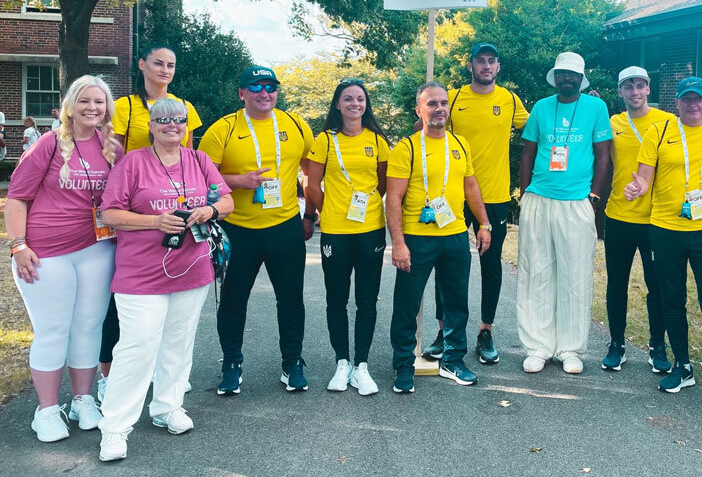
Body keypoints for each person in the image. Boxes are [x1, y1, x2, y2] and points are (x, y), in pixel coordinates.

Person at [96, 98, 233, 461]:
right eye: (163, 119)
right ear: (151, 126)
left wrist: (210, 209)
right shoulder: (132, 163)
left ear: (187, 126)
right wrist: (155, 221)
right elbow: (110, 214)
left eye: (179, 120)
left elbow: (227, 201)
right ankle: (115, 427)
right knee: (137, 346)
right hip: (141, 272)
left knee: (179, 340)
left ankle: (167, 406)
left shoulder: (199, 160)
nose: (172, 125)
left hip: (192, 267)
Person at [5, 75, 120, 442]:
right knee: (53, 329)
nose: (92, 108)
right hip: (46, 252)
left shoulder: (111, 147)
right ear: (71, 105)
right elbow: (16, 198)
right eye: (84, 100)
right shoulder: (48, 144)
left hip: (97, 250)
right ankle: (46, 409)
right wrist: (18, 245)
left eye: (99, 102)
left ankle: (83, 399)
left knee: (89, 326)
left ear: (107, 108)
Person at [199, 66, 316, 395]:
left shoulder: (295, 124)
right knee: (233, 301)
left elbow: (311, 171)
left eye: (270, 86)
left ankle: (292, 362)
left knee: (291, 299)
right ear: (242, 93)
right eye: (256, 87)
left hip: (285, 226)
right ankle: (231, 363)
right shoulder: (223, 128)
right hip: (238, 228)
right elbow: (202, 178)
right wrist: (239, 181)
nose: (264, 93)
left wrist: (309, 213)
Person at [625, 77, 702, 412]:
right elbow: (644, 178)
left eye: (698, 99)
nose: (692, 105)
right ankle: (682, 366)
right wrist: (636, 189)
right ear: (676, 102)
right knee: (672, 301)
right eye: (686, 99)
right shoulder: (658, 132)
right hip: (665, 230)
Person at [99, 43, 202, 398]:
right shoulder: (125, 107)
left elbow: (186, 154)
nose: (165, 70)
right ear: (141, 64)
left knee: (173, 305)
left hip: (170, 206)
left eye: (171, 65)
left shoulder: (183, 106)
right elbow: (112, 153)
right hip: (132, 204)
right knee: (123, 302)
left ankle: (164, 375)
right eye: (158, 63)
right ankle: (108, 375)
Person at [423, 42, 529, 365]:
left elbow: (540, 128)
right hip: (454, 195)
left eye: (491, 61)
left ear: (498, 67)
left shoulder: (510, 100)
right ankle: (445, 331)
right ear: (470, 65)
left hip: (494, 195)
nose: (486, 65)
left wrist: (581, 105)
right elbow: (428, 125)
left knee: (491, 264)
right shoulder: (453, 99)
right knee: (447, 264)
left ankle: (486, 331)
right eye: (480, 60)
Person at [386, 82, 491, 394]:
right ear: (419, 110)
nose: (439, 108)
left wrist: (484, 223)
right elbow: (394, 199)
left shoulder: (459, 144)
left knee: (456, 302)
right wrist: (398, 243)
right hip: (417, 238)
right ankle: (403, 363)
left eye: (443, 103)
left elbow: (471, 186)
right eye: (432, 104)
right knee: (407, 304)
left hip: (455, 235)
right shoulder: (406, 148)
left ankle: (453, 360)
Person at [517, 52, 612, 375]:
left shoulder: (596, 107)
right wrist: (525, 194)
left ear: (581, 78)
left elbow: (603, 156)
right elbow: (528, 154)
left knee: (575, 276)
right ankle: (538, 347)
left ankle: (570, 349)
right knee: (536, 273)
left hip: (577, 201)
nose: (566, 79)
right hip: (540, 198)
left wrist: (594, 197)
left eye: (572, 74)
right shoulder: (541, 107)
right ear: (555, 77)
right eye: (561, 74)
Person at [305, 79, 390, 396]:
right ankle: (342, 363)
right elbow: (312, 185)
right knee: (336, 299)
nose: (355, 104)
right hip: (336, 231)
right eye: (348, 99)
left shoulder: (377, 140)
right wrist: (329, 211)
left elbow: (382, 183)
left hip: (370, 229)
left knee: (367, 300)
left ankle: (362, 366)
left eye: (360, 99)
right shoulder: (324, 140)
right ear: (337, 105)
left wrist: (366, 205)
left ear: (366, 104)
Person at [601, 66, 672, 373]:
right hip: (618, 215)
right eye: (628, 86)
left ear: (648, 89)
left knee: (657, 286)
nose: (635, 91)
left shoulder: (668, 122)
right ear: (620, 91)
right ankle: (616, 344)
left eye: (640, 85)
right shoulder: (612, 123)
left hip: (657, 219)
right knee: (616, 283)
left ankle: (658, 346)